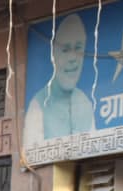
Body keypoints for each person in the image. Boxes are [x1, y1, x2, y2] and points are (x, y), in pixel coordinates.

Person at [22, 13, 95, 147]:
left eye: (78, 48)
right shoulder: (38, 106)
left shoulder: (85, 104)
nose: (73, 58)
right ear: (54, 55)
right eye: (65, 50)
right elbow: (30, 161)